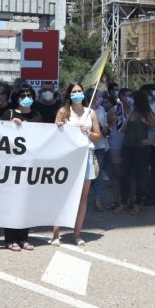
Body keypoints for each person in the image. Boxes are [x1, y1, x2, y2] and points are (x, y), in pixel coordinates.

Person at [51, 82, 103, 246]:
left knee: (83, 197)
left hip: (86, 155)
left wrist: (87, 132)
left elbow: (98, 136)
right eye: (74, 91)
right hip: (67, 157)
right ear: (69, 94)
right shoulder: (63, 112)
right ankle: (55, 234)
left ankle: (77, 234)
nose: (77, 93)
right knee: (62, 194)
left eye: (80, 91)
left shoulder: (91, 113)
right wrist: (58, 127)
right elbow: (54, 134)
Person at [2, 84, 43, 251]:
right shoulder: (9, 113)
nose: (26, 97)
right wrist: (10, 124)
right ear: (16, 98)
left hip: (31, 166)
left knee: (27, 203)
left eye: (29, 94)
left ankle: (23, 238)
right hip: (13, 166)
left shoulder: (37, 115)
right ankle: (10, 238)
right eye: (22, 95)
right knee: (12, 202)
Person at [119, 90, 155, 215]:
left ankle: (138, 204)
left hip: (141, 150)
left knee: (140, 178)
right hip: (128, 148)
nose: (130, 100)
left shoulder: (147, 114)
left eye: (132, 98)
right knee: (124, 176)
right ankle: (124, 203)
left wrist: (152, 141)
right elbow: (124, 129)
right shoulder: (133, 111)